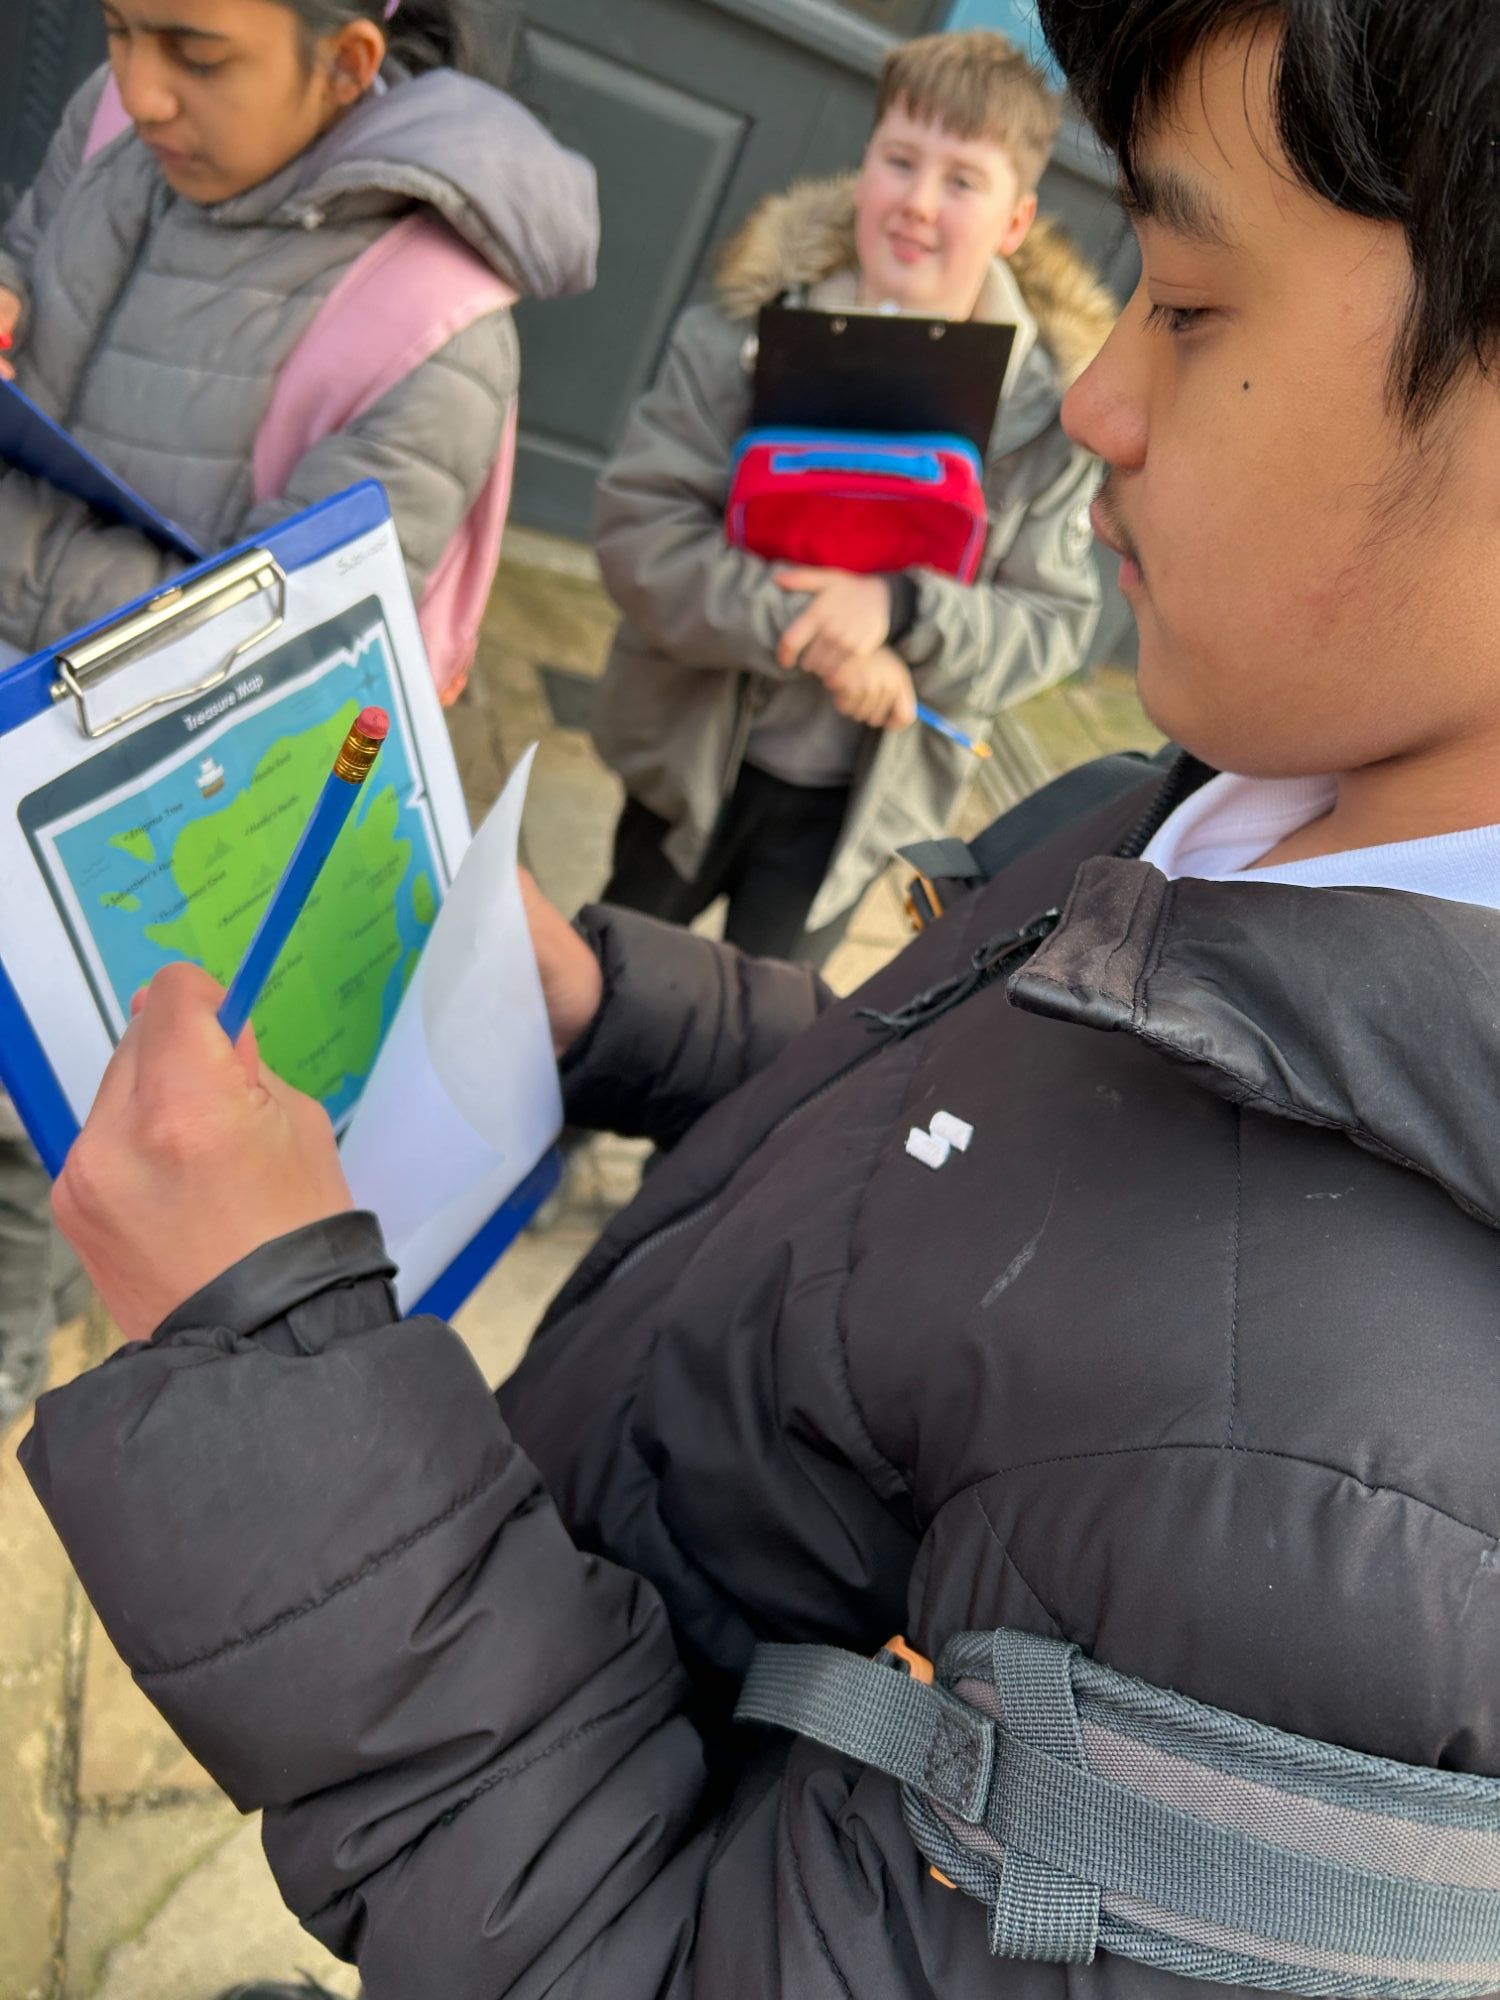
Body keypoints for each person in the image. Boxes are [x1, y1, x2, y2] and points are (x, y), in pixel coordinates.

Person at [20, 0, 1500, 1992]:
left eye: (1197, 308)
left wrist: (272, 1368)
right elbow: (993, 1126)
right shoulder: (1274, 778)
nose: (1098, 407)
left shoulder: (1354, 1513)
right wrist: (620, 1010)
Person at [0, 0, 598, 1427]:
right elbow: (35, 259)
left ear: (347, 61)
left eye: (195, 52)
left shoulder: (435, 327)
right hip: (33, 730)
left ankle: (18, 1355)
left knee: (35, 1143)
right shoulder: (110, 123)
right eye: (119, 28)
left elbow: (267, 677)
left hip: (124, 830)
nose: (137, 92)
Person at [590, 30, 1111, 965]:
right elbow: (641, 535)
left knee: (749, 1065)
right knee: (602, 1002)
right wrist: (824, 637)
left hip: (853, 823)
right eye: (899, 161)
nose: (917, 203)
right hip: (687, 763)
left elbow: (1051, 625)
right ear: (862, 166)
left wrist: (899, 610)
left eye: (961, 181)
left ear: (1015, 223)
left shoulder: (1049, 416)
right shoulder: (741, 339)